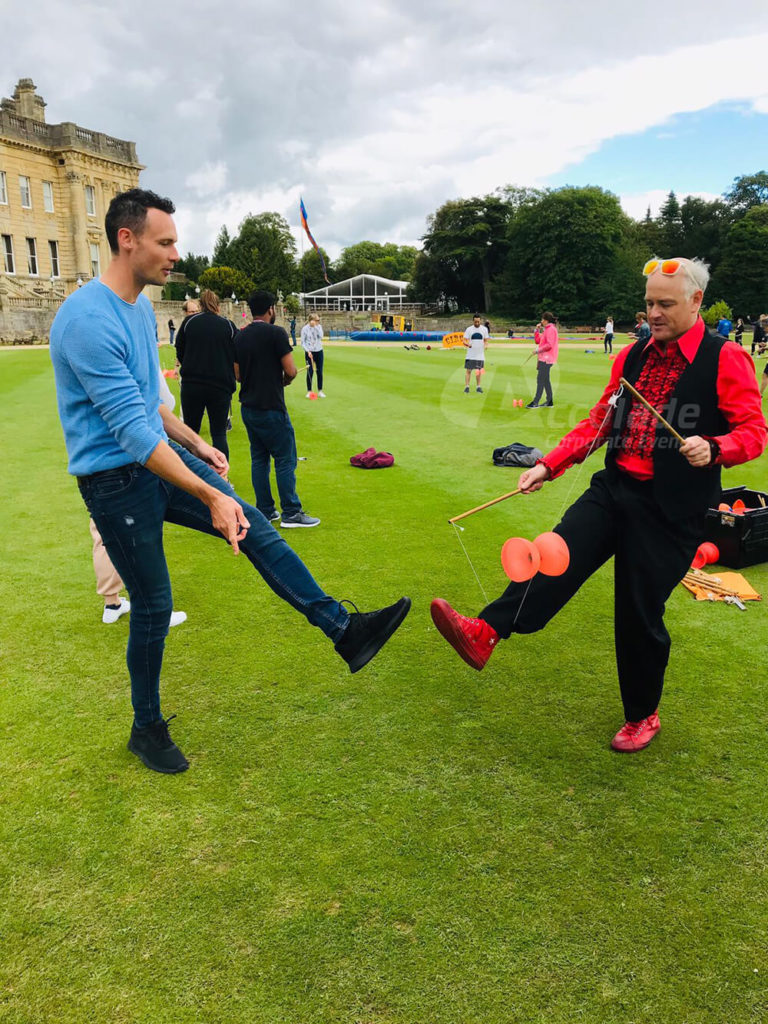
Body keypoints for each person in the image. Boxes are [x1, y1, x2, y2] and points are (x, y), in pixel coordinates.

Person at [50, 188, 410, 775]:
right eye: (164, 242)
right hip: (115, 482)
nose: (174, 254)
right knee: (154, 604)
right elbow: (130, 435)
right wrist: (209, 493)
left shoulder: (139, 309)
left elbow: (149, 407)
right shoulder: (86, 320)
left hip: (159, 455)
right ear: (126, 239)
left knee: (256, 525)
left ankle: (344, 630)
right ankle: (146, 727)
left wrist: (197, 444)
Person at [431, 256, 766, 753]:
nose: (653, 312)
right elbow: (599, 422)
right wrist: (549, 464)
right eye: (649, 302)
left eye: (665, 304)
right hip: (615, 488)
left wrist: (716, 448)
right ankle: (486, 632)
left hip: (672, 510)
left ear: (696, 301)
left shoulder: (725, 358)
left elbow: (753, 432)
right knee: (552, 556)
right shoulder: (631, 356)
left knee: (637, 612)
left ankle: (641, 715)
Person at [95, 367, 186, 628]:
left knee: (104, 534)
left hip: (99, 460)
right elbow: (164, 402)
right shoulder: (129, 348)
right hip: (134, 455)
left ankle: (112, 601)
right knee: (143, 532)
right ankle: (156, 607)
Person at [235, 290, 321, 529]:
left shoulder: (240, 336)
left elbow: (238, 374)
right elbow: (292, 370)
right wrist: (283, 379)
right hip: (271, 405)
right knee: (285, 458)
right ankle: (291, 512)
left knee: (259, 459)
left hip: (249, 407)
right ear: (271, 309)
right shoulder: (276, 333)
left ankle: (265, 509)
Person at [175, 289, 237, 461]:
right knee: (218, 434)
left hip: (192, 384)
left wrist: (190, 364)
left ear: (201, 305)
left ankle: (189, 477)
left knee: (190, 433)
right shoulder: (228, 325)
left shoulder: (189, 322)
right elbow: (236, 353)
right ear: (217, 305)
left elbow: (180, 349)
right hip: (220, 386)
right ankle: (222, 477)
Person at [527, 312, 558, 408]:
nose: (541, 321)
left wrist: (537, 350)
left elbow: (549, 345)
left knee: (540, 379)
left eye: (542, 319)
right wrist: (537, 330)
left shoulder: (551, 329)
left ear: (546, 320)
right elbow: (538, 341)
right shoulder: (546, 329)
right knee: (545, 380)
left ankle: (536, 402)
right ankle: (549, 401)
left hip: (547, 358)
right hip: (543, 357)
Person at [462, 313, 489, 394]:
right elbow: (464, 340)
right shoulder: (469, 329)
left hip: (480, 354)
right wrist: (467, 344)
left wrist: (486, 345)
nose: (477, 323)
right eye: (475, 322)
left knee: (478, 371)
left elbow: (486, 340)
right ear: (473, 321)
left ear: (480, 320)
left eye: (478, 322)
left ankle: (478, 387)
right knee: (468, 371)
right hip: (470, 354)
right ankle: (467, 387)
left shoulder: (484, 329)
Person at [301, 313, 325, 397]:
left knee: (319, 371)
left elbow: (321, 336)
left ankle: (320, 390)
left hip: (319, 351)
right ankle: (309, 391)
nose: (318, 321)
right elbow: (303, 342)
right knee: (310, 371)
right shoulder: (304, 329)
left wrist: (315, 327)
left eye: (318, 320)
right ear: (311, 320)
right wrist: (308, 351)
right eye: (317, 320)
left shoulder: (319, 327)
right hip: (309, 352)